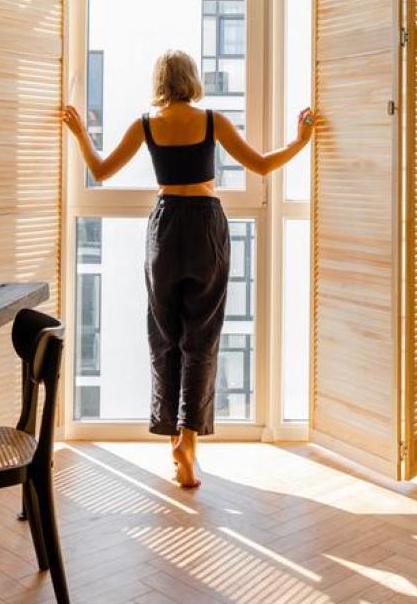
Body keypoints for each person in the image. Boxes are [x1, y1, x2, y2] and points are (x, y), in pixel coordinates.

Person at [63, 49, 314, 488]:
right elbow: (258, 164)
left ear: (160, 80)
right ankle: (189, 441)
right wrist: (299, 142)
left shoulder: (146, 124)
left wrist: (82, 132)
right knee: (202, 337)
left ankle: (174, 440)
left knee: (166, 336)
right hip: (205, 225)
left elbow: (100, 170)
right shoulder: (212, 120)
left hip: (165, 227)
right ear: (192, 79)